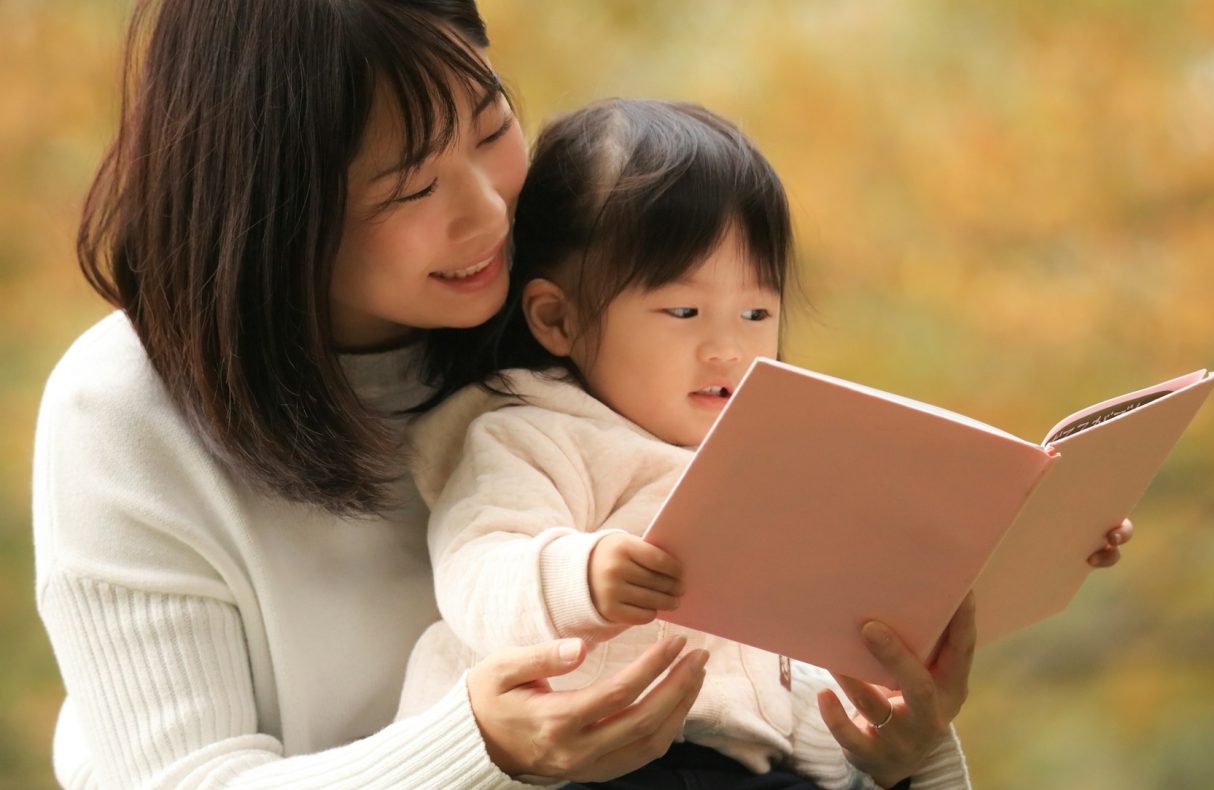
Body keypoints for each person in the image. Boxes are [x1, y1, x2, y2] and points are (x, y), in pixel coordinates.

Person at [36, 1, 1127, 787]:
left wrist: (905, 747)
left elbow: (768, 630)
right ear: (271, 210)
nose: (484, 212)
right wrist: (481, 748)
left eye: (489, 128)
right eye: (411, 187)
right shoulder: (124, 409)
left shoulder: (578, 312)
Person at [396, 98, 1132, 790]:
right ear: (556, 319)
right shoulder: (533, 430)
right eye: (684, 310)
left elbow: (803, 657)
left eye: (756, 312)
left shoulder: (777, 457)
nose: (727, 349)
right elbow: (475, 564)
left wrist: (1039, 538)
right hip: (599, 762)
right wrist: (577, 576)